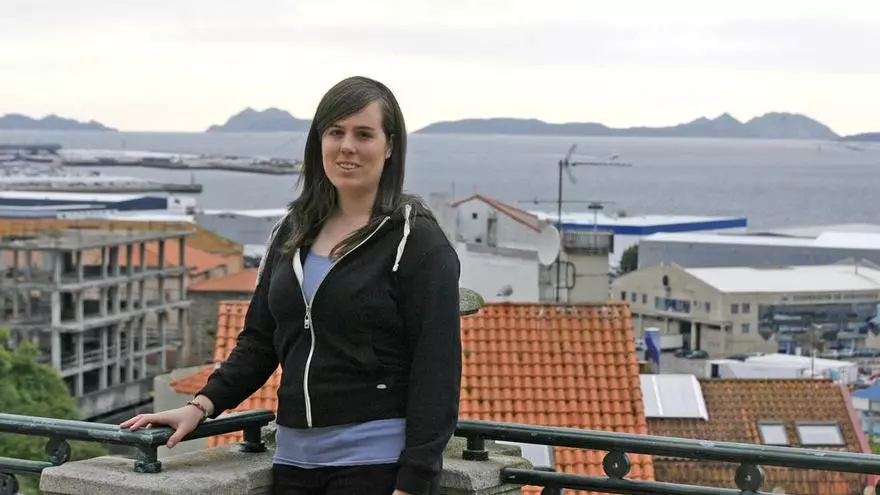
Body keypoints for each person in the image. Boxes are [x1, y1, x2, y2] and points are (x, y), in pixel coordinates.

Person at [121, 76, 463, 495]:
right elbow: (260, 341)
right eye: (335, 132)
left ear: (389, 146)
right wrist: (201, 405)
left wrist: (414, 481)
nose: (347, 146)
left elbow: (437, 369)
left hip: (374, 465)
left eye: (363, 134)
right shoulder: (292, 232)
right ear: (319, 141)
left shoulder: (416, 241)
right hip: (293, 464)